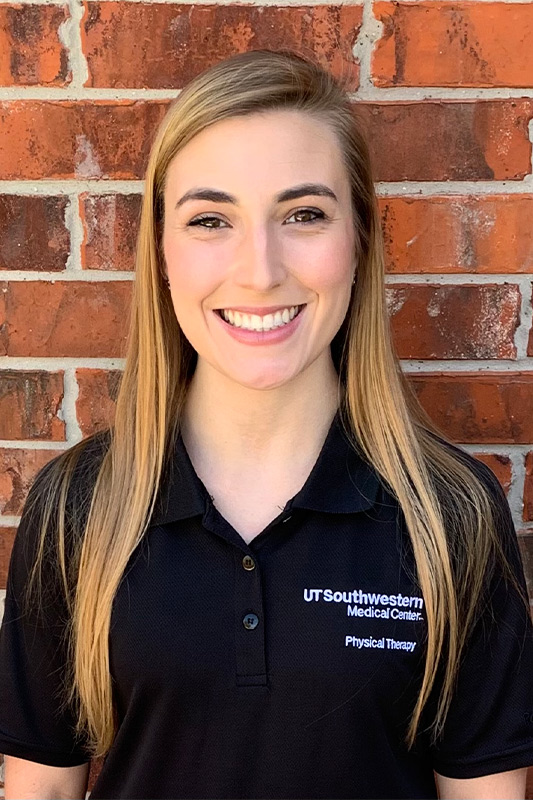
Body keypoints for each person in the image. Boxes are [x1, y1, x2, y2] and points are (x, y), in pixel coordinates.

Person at [1, 48, 533, 800]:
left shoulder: (448, 513)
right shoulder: (79, 506)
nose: (259, 269)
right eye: (210, 219)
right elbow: (43, 789)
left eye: (304, 215)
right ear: (161, 252)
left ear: (360, 242)